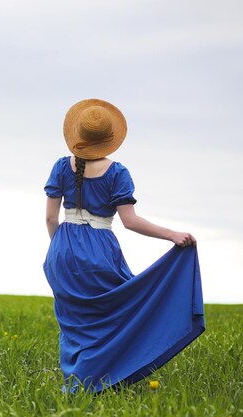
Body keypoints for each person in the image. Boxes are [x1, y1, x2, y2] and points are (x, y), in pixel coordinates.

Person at [42, 98, 205, 394]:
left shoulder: (60, 167)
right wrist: (172, 235)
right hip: (99, 250)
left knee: (74, 324)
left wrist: (65, 250)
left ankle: (76, 384)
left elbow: (50, 218)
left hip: (62, 251)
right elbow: (130, 221)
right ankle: (101, 382)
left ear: (78, 136)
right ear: (109, 139)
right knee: (116, 314)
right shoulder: (117, 173)